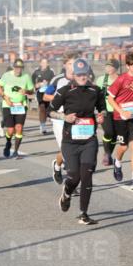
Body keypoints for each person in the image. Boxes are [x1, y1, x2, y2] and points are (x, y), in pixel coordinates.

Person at [50, 58, 104, 226]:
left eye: (84, 74)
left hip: (89, 140)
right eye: (79, 74)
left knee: (87, 175)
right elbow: (50, 111)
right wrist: (64, 117)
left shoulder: (95, 90)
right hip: (70, 141)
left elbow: (103, 108)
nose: (82, 77)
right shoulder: (65, 90)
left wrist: (102, 115)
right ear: (73, 75)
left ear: (88, 73)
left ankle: (83, 213)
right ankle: (66, 193)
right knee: (74, 176)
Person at [106, 52, 133, 189]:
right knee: (123, 146)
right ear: (128, 66)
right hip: (121, 117)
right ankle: (117, 162)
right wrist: (121, 111)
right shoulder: (121, 80)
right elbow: (110, 99)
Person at [42, 53, 77, 184]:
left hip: (75, 118)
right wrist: (61, 99)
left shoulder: (81, 79)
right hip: (59, 118)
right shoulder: (57, 80)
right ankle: (71, 183)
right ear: (64, 65)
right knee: (67, 148)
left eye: (74, 64)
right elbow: (46, 96)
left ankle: (57, 166)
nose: (72, 67)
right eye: (70, 64)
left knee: (73, 149)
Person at [0, 58, 34, 159]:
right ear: (14, 67)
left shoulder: (26, 77)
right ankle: (8, 144)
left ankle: (16, 151)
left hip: (21, 106)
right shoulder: (7, 75)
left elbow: (31, 91)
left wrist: (26, 91)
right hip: (8, 105)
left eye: (20, 68)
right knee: (10, 130)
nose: (18, 70)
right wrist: (5, 97)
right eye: (17, 67)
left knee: (19, 128)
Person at [94, 59, 121, 166]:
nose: (108, 68)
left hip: (118, 110)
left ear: (116, 68)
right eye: (107, 66)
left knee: (116, 135)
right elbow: (96, 94)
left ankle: (109, 154)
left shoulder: (121, 79)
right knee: (109, 131)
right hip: (105, 110)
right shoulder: (101, 80)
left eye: (111, 66)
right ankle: (106, 153)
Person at [32, 58, 55, 134]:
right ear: (40, 63)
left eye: (46, 63)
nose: (44, 64)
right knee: (42, 107)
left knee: (47, 109)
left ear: (48, 64)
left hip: (48, 92)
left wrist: (47, 83)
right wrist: (37, 85)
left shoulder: (51, 72)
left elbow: (54, 82)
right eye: (43, 62)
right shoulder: (36, 72)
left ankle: (49, 122)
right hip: (40, 92)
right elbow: (32, 83)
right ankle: (43, 126)